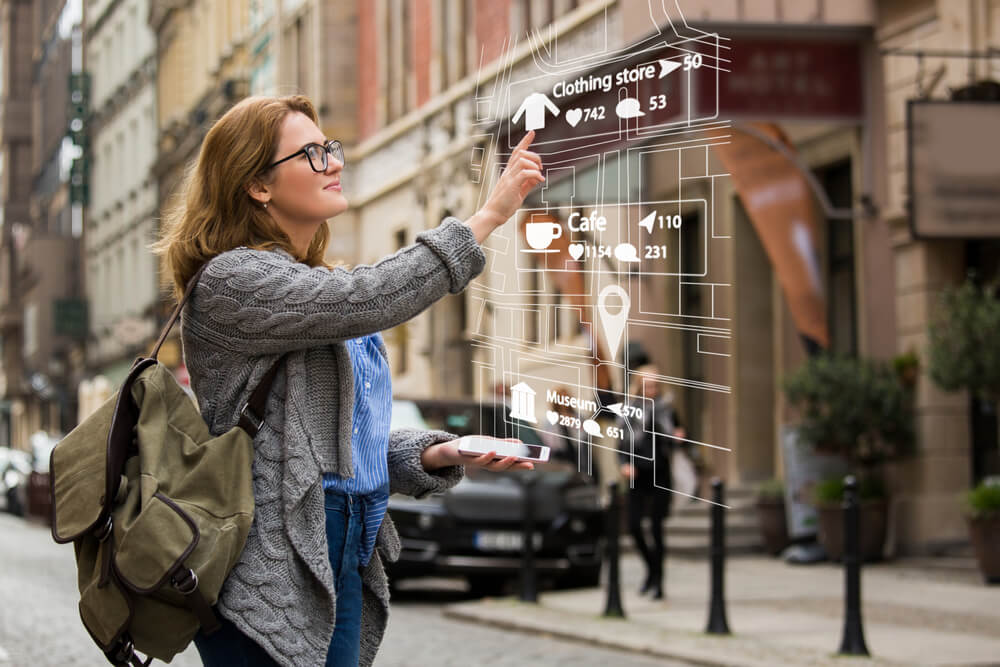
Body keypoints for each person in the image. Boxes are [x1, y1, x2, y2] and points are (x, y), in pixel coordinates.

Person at [152, 94, 546, 667]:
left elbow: (322, 449)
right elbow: (367, 297)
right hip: (271, 562)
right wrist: (487, 215)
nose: (334, 162)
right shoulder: (232, 281)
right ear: (257, 185)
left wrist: (442, 452)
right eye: (311, 154)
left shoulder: (305, 285)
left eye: (329, 147)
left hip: (343, 551)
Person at [617, 365, 686, 600]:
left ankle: (659, 582)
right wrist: (624, 463)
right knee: (634, 526)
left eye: (655, 385)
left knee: (657, 528)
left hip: (660, 473)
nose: (652, 389)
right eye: (647, 385)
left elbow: (678, 438)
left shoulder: (666, 409)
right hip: (637, 473)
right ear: (639, 385)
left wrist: (679, 438)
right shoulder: (629, 411)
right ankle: (651, 570)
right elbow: (621, 442)